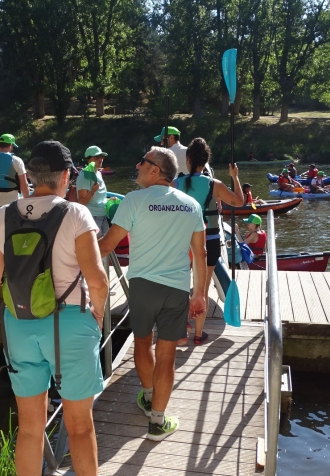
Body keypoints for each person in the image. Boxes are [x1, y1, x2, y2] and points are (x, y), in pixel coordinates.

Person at [0, 140, 109, 474]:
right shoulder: (75, 212)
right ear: (67, 176)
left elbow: (1, 275)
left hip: (19, 324)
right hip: (70, 324)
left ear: (29, 176)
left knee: (30, 428)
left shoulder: (4, 214)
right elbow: (97, 280)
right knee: (80, 427)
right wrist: (96, 320)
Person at [98, 146, 207, 441]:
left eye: (142, 161)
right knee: (167, 356)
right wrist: (199, 294)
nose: (137, 165)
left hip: (143, 285)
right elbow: (200, 253)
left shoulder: (134, 200)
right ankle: (157, 423)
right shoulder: (191, 204)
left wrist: (71, 255)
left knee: (142, 344)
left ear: (155, 169)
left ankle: (148, 396)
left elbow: (106, 246)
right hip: (176, 288)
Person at [173, 138, 244, 346]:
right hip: (209, 240)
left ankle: (183, 325)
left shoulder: (176, 183)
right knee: (201, 288)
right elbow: (239, 202)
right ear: (206, 161)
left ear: (188, 159)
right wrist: (235, 177)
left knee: (182, 285)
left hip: (182, 242)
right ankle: (198, 333)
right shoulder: (214, 185)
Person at [0, 133, 30, 219]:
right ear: (10, 145)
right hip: (12, 204)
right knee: (13, 231)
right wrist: (28, 201)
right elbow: (24, 185)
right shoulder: (17, 160)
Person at [77, 145, 111, 236]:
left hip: (103, 215)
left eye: (102, 157)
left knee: (105, 247)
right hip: (92, 217)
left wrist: (109, 200)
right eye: (96, 157)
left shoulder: (98, 173)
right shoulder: (84, 176)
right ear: (88, 160)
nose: (100, 160)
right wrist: (92, 191)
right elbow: (81, 202)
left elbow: (98, 198)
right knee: (96, 248)